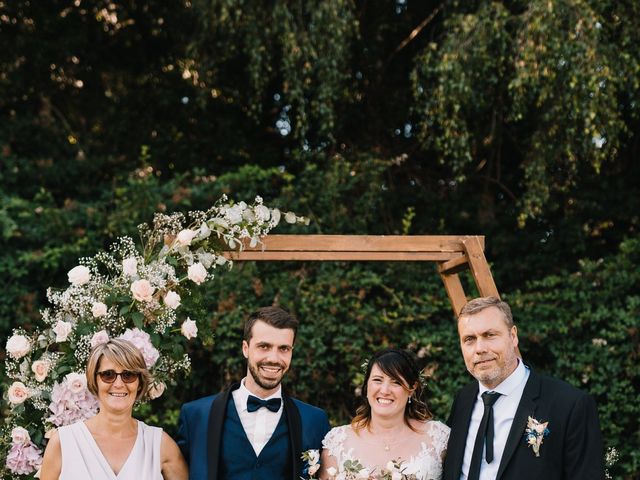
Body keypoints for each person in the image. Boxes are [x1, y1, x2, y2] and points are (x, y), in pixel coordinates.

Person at [443, 296, 605, 480]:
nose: (480, 348)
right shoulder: (463, 400)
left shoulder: (569, 405)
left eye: (490, 335)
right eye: (469, 339)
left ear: (513, 336)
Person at [177, 306, 331, 480]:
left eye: (284, 348)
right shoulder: (196, 415)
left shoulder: (315, 421)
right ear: (245, 348)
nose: (274, 358)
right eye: (264, 346)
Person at [40, 338, 188, 480]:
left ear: (140, 383)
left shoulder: (160, 445)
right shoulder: (63, 443)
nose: (118, 384)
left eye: (128, 375)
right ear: (95, 381)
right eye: (108, 375)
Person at [319, 348, 450, 479]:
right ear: (367, 384)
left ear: (411, 389)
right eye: (377, 380)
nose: (385, 390)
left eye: (396, 382)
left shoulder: (438, 438)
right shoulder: (338, 442)